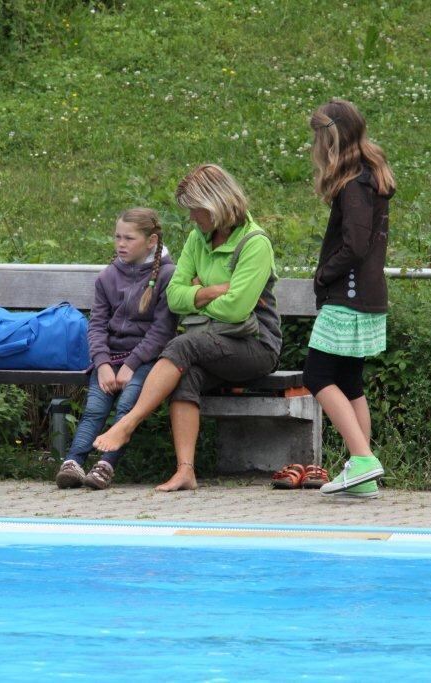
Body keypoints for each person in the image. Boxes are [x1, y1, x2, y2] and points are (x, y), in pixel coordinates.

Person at [94, 164, 281, 491]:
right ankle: (185, 471)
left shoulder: (255, 243)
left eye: (195, 210)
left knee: (184, 346)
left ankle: (128, 423)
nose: (191, 218)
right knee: (186, 374)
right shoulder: (199, 238)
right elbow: (174, 297)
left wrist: (196, 293)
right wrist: (213, 290)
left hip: (254, 346)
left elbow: (237, 310)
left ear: (215, 204)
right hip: (213, 342)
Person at [302, 99, 396, 499]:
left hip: (348, 297)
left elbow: (355, 244)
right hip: (365, 297)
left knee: (317, 376)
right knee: (350, 382)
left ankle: (361, 459)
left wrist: (324, 274)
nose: (314, 146)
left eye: (317, 137)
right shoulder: (369, 176)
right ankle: (365, 477)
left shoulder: (354, 183)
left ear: (331, 138)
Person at [55, 208, 177, 490]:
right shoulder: (107, 276)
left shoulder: (167, 276)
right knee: (95, 410)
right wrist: (102, 363)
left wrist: (132, 364)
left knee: (126, 407)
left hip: (146, 360)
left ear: (151, 241)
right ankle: (73, 462)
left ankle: (105, 465)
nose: (121, 244)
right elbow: (96, 325)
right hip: (110, 360)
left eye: (129, 238)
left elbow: (162, 331)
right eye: (117, 237)